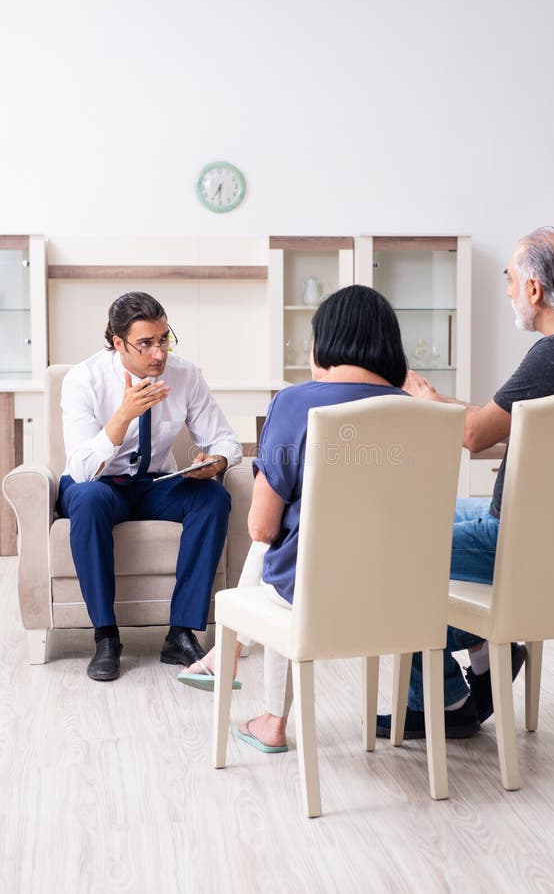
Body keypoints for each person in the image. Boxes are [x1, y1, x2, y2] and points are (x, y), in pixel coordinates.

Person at [180, 283, 482, 750]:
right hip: (404, 593)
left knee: (277, 550)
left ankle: (266, 711)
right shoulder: (425, 412)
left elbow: (261, 527)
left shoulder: (294, 403)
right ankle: (238, 666)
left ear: (322, 342)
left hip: (313, 593)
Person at [376, 226, 554, 738]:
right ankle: (484, 655)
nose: (508, 291)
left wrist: (426, 404)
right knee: (424, 512)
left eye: (510, 280)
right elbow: (498, 421)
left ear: (535, 290)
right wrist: (438, 400)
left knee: (394, 547)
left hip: (520, 538)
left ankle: (444, 702)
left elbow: (475, 435)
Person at [58, 291, 242, 682]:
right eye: (145, 343)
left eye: (164, 339)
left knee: (212, 497)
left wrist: (217, 461)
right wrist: (122, 417)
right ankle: (106, 636)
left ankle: (180, 633)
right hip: (99, 485)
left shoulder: (186, 375)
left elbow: (225, 439)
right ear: (118, 343)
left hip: (155, 482)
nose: (159, 353)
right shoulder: (83, 379)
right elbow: (80, 468)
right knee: (88, 498)